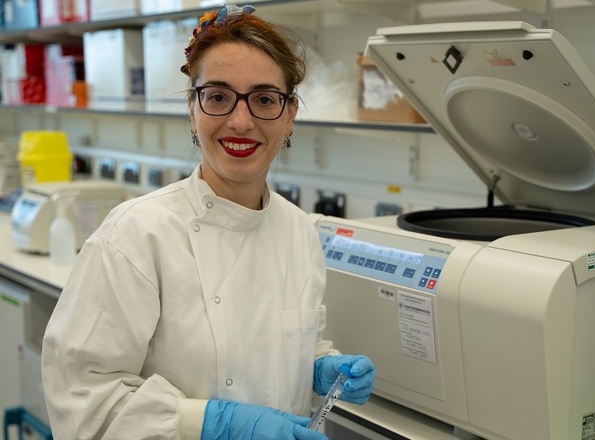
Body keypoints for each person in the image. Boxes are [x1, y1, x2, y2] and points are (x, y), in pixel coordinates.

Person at [41, 5, 375, 439]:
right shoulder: (135, 235)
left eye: (264, 99)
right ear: (193, 110)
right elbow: (82, 400)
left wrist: (316, 367)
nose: (241, 121)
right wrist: (213, 425)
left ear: (290, 114)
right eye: (218, 96)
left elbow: (276, 342)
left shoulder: (299, 231)